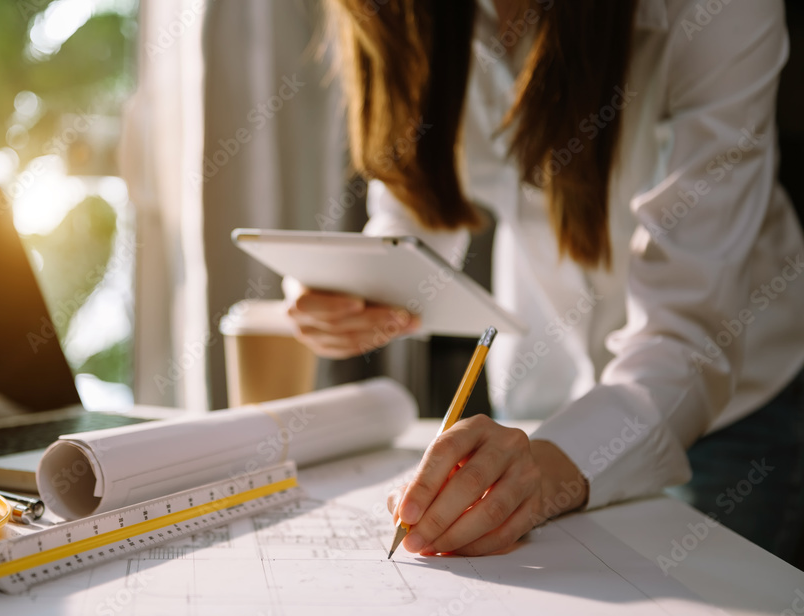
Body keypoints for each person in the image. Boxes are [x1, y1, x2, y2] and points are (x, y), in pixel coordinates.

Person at [286, 0, 804, 562]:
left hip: (726, 412)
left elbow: (686, 337)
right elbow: (416, 208)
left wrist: (542, 471)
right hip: (541, 397)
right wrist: (347, 287)